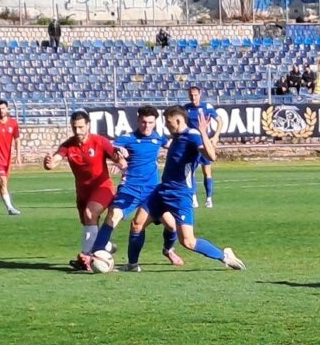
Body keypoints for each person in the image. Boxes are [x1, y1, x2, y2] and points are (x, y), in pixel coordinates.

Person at [126, 106, 245, 271]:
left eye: (168, 122)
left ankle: (225, 256)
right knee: (137, 224)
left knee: (188, 241)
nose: (166, 126)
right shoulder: (176, 136)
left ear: (178, 120)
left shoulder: (193, 136)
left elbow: (211, 156)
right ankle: (132, 265)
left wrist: (204, 133)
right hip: (161, 192)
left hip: (180, 195)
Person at [89, 105, 183, 271]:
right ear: (138, 120)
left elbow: (174, 146)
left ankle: (168, 250)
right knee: (113, 216)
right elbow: (113, 149)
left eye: (150, 122)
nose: (146, 126)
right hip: (130, 188)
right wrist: (119, 156)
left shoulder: (159, 138)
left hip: (152, 191)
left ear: (155, 122)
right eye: (143, 122)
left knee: (172, 225)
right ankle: (95, 254)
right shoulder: (128, 138)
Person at [43, 110, 123, 271]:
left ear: (88, 125)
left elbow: (118, 157)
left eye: (81, 127)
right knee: (88, 222)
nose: (78, 131)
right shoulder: (68, 145)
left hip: (103, 187)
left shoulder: (99, 141)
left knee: (90, 214)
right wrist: (49, 163)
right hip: (83, 193)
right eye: (74, 128)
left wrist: (119, 162)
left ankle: (85, 257)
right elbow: (54, 162)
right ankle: (105, 246)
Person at [185, 86, 219, 208]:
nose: (193, 97)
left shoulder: (207, 107)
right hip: (192, 144)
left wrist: (215, 136)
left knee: (207, 171)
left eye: (195, 95)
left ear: (200, 95)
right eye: (191, 95)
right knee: (191, 172)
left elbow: (220, 121)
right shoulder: (186, 109)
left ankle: (209, 198)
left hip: (205, 143)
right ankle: (193, 198)